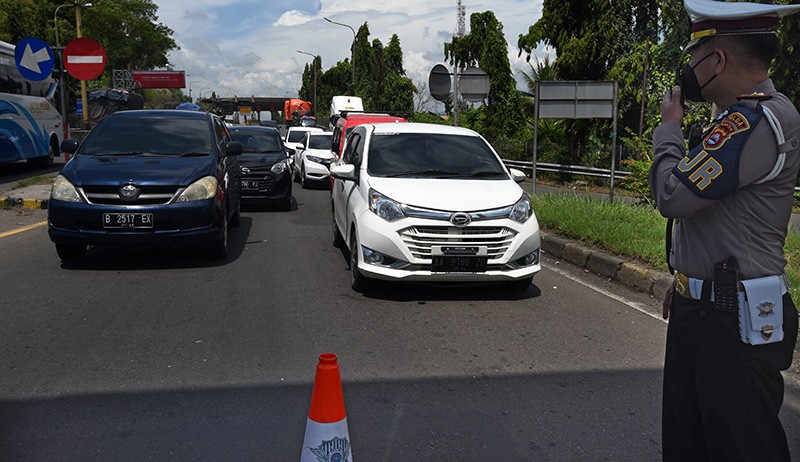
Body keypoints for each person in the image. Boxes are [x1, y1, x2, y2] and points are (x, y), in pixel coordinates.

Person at [649, 0, 800, 460]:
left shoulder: (757, 119)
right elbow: (710, 215)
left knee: (739, 448)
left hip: (734, 323)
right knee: (688, 443)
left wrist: (668, 131)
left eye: (696, 55)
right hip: (709, 310)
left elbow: (673, 196)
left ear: (718, 60)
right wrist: (688, 280)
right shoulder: (733, 120)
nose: (689, 67)